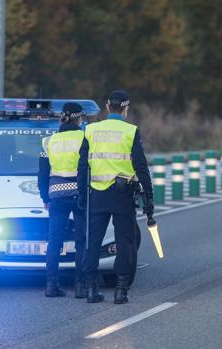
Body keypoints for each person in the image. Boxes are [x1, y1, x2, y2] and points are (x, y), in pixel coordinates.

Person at [77, 90, 153, 304]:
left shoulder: (90, 130)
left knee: (92, 242)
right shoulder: (131, 131)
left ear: (108, 106)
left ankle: (91, 290)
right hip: (122, 195)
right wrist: (149, 198)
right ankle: (121, 291)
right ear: (126, 109)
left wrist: (82, 195)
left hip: (97, 195)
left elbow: (82, 168)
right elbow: (141, 166)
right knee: (125, 243)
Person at [38, 102, 87, 298]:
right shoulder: (85, 138)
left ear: (62, 118)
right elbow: (85, 168)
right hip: (79, 195)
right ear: (79, 118)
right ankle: (81, 286)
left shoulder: (48, 142)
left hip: (56, 196)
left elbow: (42, 175)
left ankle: (51, 285)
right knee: (81, 240)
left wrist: (45, 197)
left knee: (54, 241)